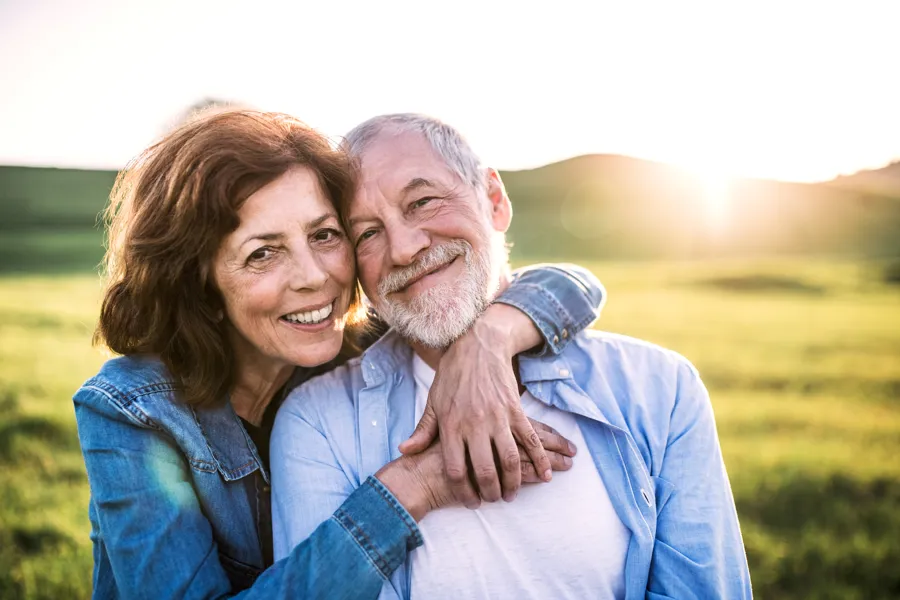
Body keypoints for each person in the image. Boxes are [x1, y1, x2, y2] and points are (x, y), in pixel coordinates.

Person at [72, 109, 606, 598]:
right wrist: (410, 487)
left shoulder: (364, 346)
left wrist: (486, 341)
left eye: (326, 235)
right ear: (198, 283)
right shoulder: (131, 412)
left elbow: (570, 283)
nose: (316, 277)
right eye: (263, 253)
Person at [271, 114, 753, 599]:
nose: (404, 247)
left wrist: (487, 342)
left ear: (495, 201)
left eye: (422, 202)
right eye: (367, 234)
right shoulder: (318, 421)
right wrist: (419, 481)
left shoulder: (660, 389)